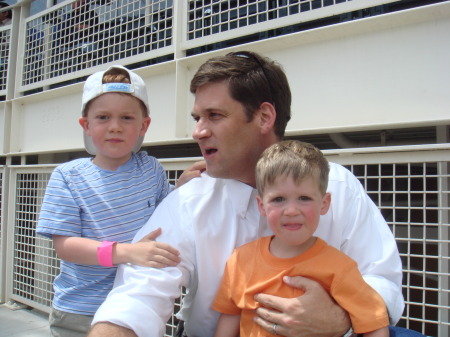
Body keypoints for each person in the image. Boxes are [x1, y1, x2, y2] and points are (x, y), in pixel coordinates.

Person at [89, 51, 409, 337]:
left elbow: (383, 280)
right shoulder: (187, 202)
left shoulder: (338, 186)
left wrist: (340, 318)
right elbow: (137, 296)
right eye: (197, 118)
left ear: (264, 117)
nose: (198, 131)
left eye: (214, 115)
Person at [36, 65, 203, 336]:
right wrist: (128, 252)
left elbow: (166, 212)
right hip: (80, 310)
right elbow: (65, 246)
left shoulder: (151, 169)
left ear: (143, 125)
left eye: (126, 118)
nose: (115, 127)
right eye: (103, 117)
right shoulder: (68, 176)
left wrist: (182, 186)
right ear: (86, 125)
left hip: (137, 306)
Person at [213, 140, 389, 337]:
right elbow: (230, 316)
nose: (291, 211)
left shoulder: (340, 268)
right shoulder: (240, 261)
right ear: (261, 205)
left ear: (324, 203)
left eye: (304, 198)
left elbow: (374, 323)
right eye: (279, 199)